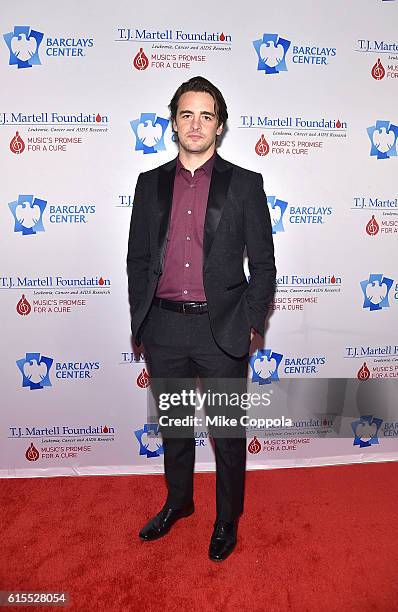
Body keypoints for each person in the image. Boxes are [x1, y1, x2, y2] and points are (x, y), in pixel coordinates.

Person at [127, 76, 276, 561]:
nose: (196, 124)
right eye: (186, 114)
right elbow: (137, 258)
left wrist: (252, 320)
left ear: (220, 125)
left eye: (206, 115)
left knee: (227, 432)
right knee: (174, 425)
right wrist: (142, 320)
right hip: (164, 327)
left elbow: (265, 264)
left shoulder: (245, 184)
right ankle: (180, 501)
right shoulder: (149, 184)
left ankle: (227, 518)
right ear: (173, 122)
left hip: (222, 328)